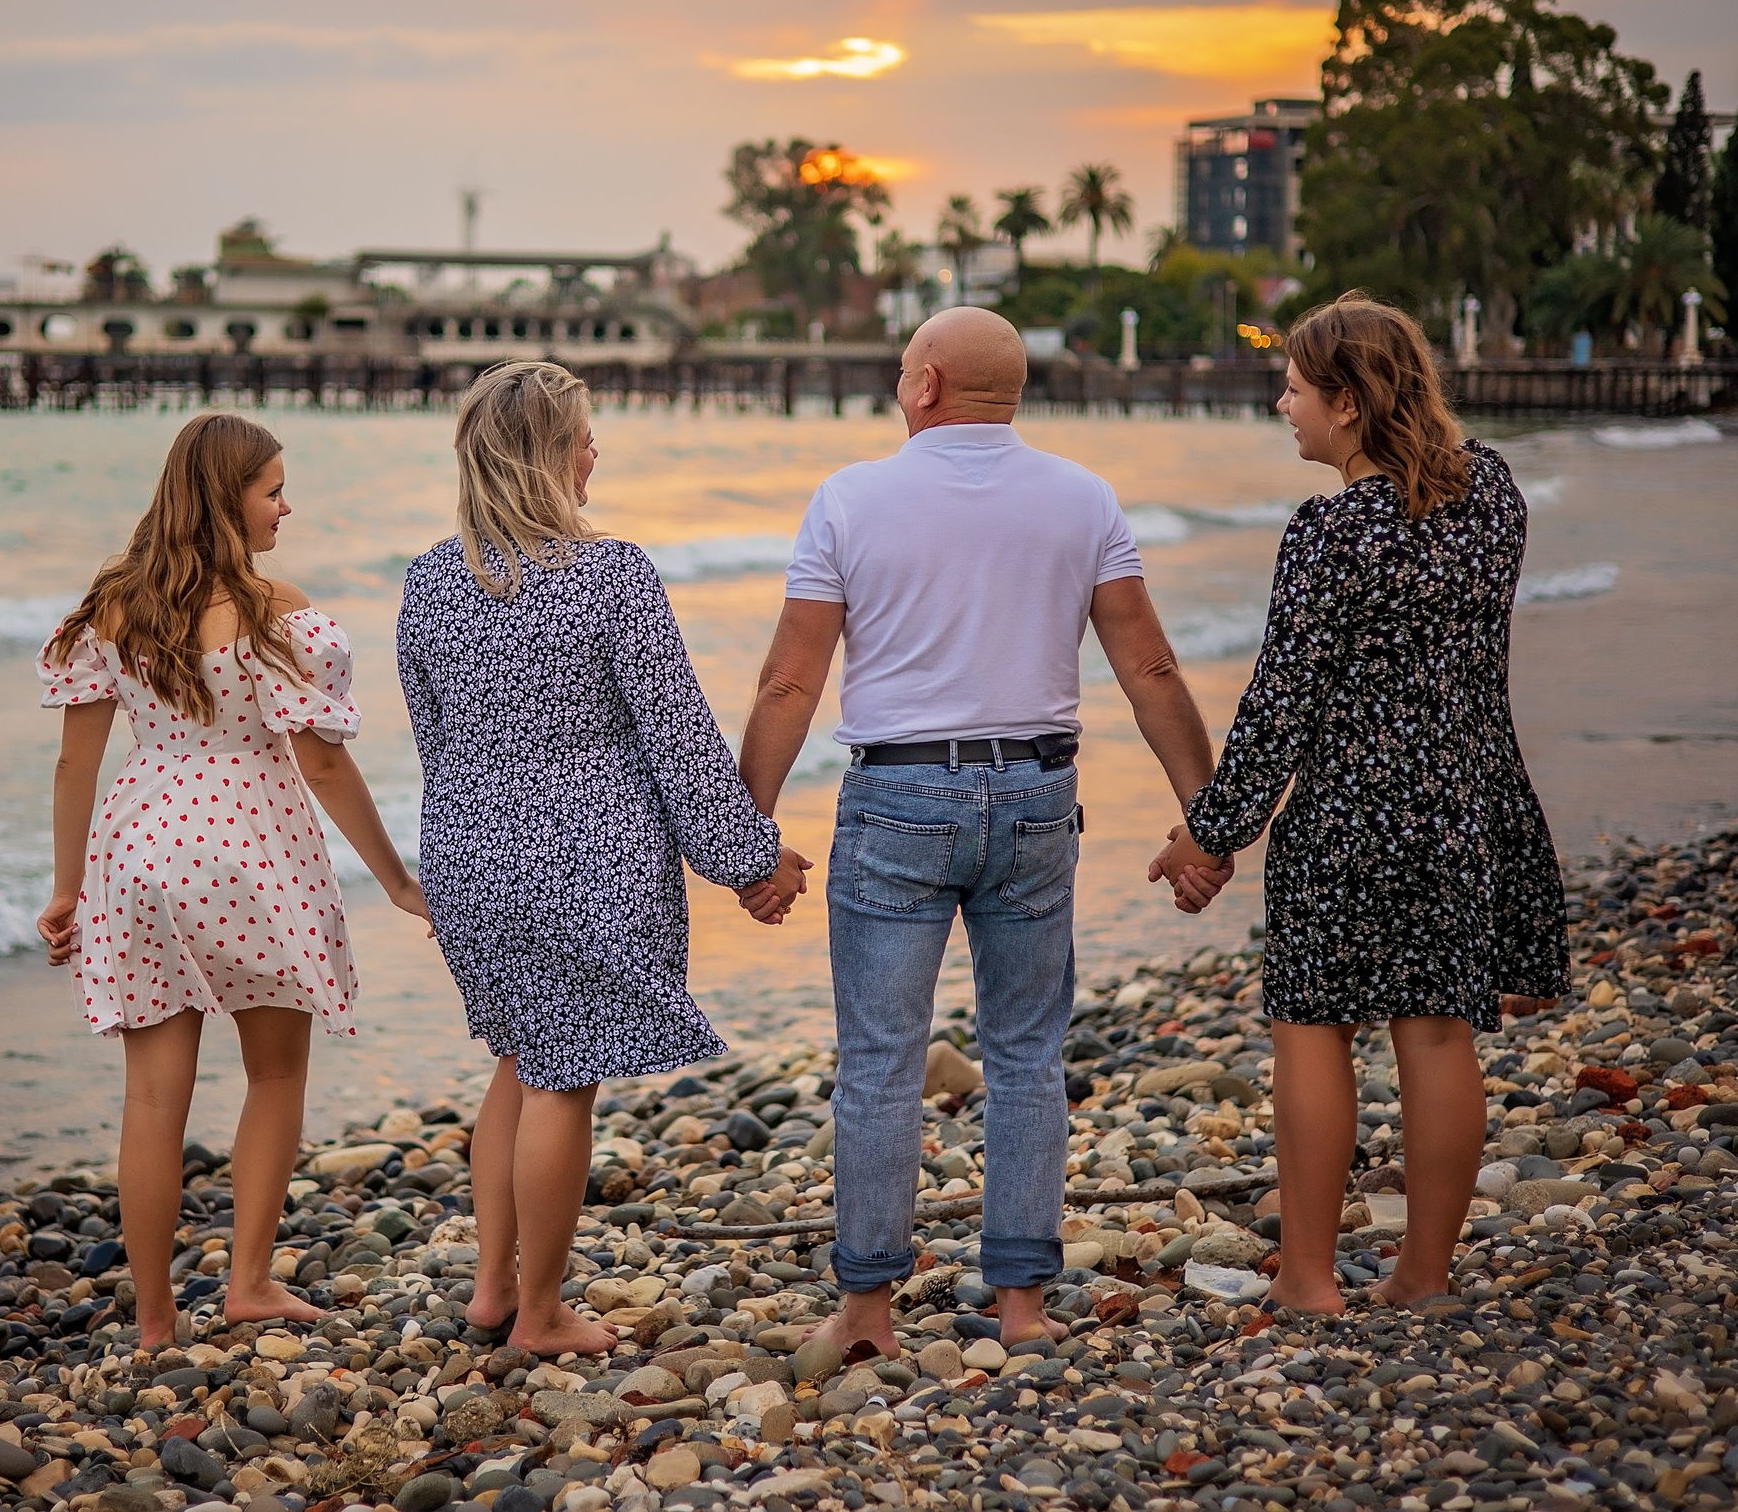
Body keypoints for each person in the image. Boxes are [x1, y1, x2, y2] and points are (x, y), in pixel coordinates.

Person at [736, 307, 1231, 1359]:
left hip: (898, 800)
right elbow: (1149, 669)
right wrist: (1207, 819)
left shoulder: (850, 498)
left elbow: (790, 678)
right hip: (1037, 794)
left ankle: (866, 1310)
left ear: (923, 384)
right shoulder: (1081, 496)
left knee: (879, 1060)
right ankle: (1021, 1305)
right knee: (1024, 1054)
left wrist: (744, 832)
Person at [1157, 292, 1567, 1314]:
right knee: (1436, 1034)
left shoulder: (1329, 532)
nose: (1280, 405)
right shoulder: (1495, 500)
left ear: (1345, 403)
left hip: (1348, 815)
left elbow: (1278, 706)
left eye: (1294, 388)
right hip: (1464, 802)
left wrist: (1205, 834)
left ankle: (1306, 1278)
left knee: (1312, 1023)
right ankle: (1421, 1275)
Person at [398, 361, 810, 1358]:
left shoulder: (427, 576)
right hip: (581, 856)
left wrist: (467, 836)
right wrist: (751, 858)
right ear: (545, 454)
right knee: (561, 1073)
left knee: (519, 1053)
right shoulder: (609, 571)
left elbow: (432, 729)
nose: (595, 452)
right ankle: (539, 1312)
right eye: (582, 436)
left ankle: (494, 1289)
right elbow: (675, 734)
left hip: (465, 846)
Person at [36, 413, 428, 1349]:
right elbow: (324, 766)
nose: (286, 506)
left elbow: (74, 765)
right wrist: (396, 879)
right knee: (277, 1069)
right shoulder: (272, 611)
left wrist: (65, 890)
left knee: (151, 1098)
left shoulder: (113, 609)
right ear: (227, 498)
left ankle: (156, 1324)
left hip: (139, 850)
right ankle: (247, 1282)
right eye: (272, 489)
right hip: (250, 845)